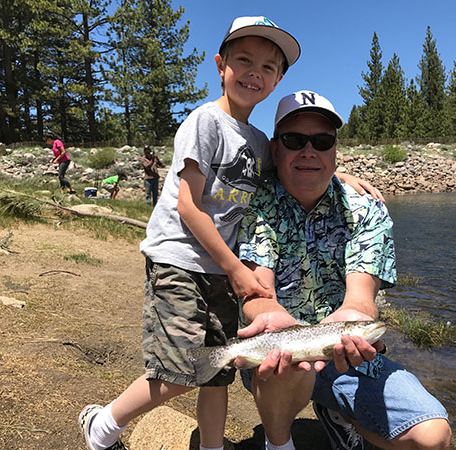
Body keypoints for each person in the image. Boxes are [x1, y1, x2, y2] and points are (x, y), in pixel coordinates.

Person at [79, 18, 379, 450]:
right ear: (220, 65)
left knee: (217, 369)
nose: (255, 73)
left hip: (219, 269)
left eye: (268, 67)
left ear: (277, 79)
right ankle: (104, 424)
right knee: (182, 372)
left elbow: (303, 162)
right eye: (244, 61)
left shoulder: (258, 140)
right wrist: (235, 268)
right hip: (179, 261)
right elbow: (188, 204)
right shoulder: (204, 122)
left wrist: (342, 173)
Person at [236, 90, 451, 450]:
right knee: (285, 365)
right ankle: (278, 443)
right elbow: (257, 294)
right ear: (276, 150)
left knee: (432, 438)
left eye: (321, 142)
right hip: (273, 356)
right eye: (294, 140)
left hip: (344, 356)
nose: (309, 151)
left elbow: (361, 300)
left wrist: (357, 316)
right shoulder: (254, 205)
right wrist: (271, 316)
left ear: (335, 153)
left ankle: (340, 413)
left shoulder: (367, 211)